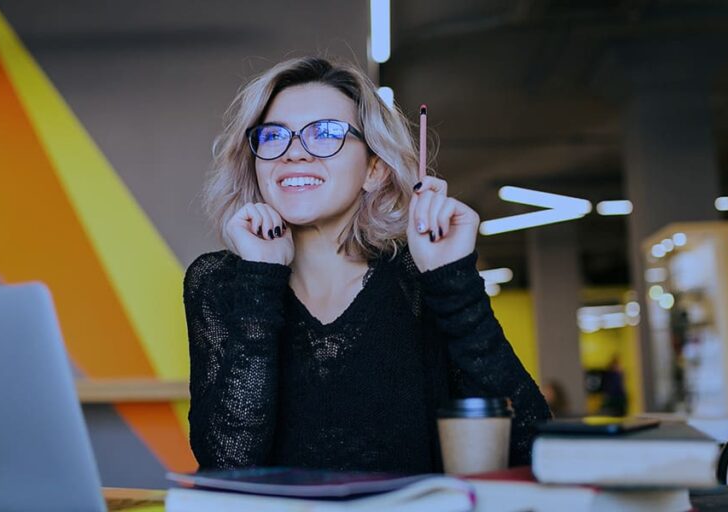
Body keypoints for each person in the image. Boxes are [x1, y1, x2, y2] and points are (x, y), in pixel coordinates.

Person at [184, 57, 550, 474]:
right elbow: (227, 463)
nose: (293, 153)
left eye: (326, 134)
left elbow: (532, 446)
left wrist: (454, 282)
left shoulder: (420, 278)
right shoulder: (218, 282)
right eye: (274, 136)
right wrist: (260, 278)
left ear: (374, 169)